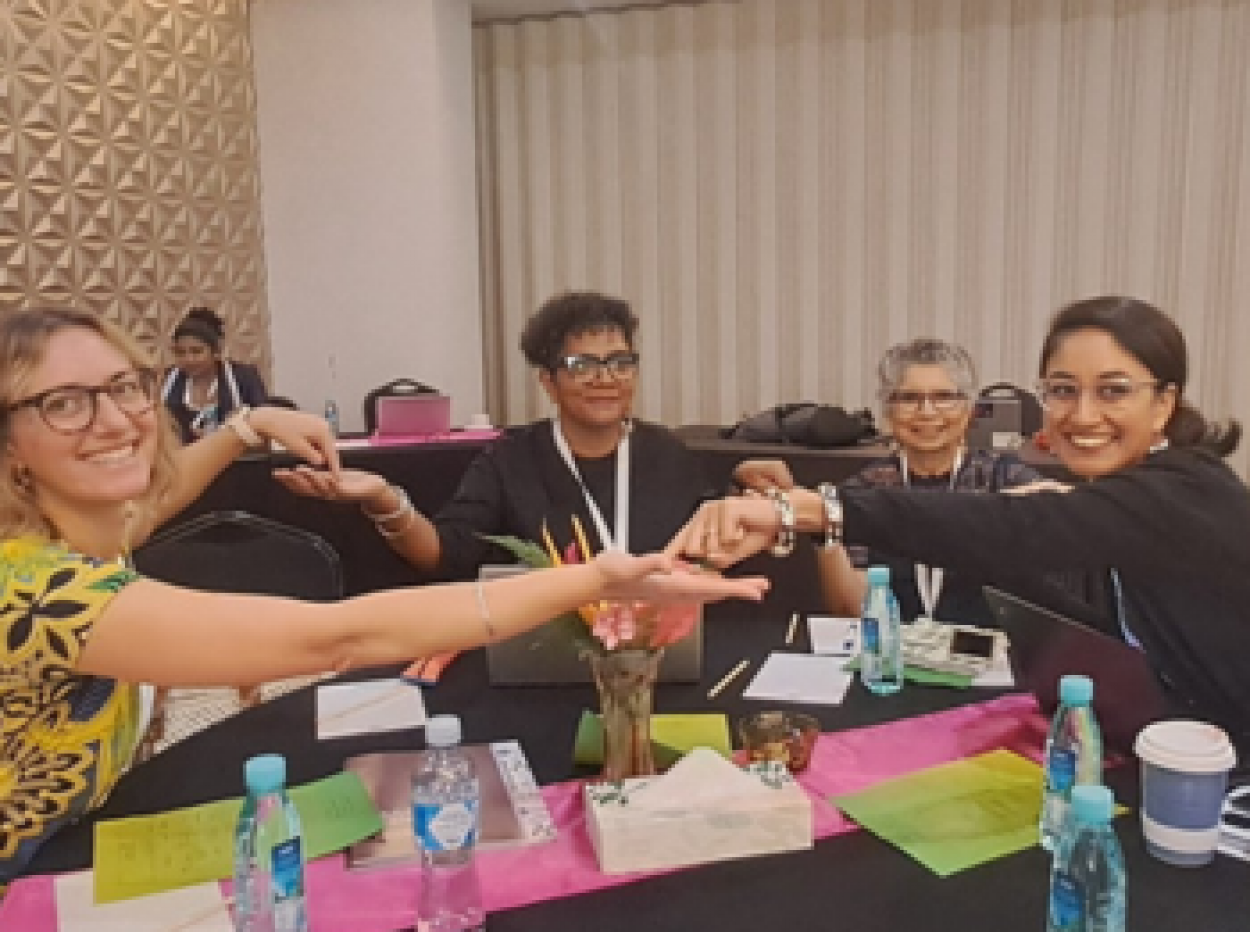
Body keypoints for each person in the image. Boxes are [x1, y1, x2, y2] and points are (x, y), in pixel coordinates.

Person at [0, 306, 767, 889]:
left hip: (74, 829)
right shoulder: (39, 589)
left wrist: (245, 425)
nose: (114, 421)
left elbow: (158, 493)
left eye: (123, 389)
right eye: (62, 403)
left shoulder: (75, 533)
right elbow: (337, 640)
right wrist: (598, 578)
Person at [672, 296, 1249, 743]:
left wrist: (803, 510)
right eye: (1063, 390)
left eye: (1114, 391)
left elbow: (1013, 530)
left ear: (1165, 402)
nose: (1083, 414)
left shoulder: (1183, 490)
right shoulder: (1135, 490)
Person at [277, 291, 714, 578]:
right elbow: (443, 554)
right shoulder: (510, 460)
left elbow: (715, 550)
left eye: (620, 362)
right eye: (583, 366)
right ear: (547, 380)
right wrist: (385, 500)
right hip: (540, 655)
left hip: (658, 651)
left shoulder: (667, 455)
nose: (606, 378)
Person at [733, 339, 1040, 627]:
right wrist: (824, 523)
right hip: (891, 662)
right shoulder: (864, 490)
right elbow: (851, 607)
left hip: (988, 665)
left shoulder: (1004, 479)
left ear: (970, 410)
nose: (927, 412)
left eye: (944, 397)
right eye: (908, 398)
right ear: (888, 412)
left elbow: (1065, 514)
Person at [161, 306, 270, 443]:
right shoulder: (165, 381)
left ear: (216, 352)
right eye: (180, 352)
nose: (188, 359)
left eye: (197, 351)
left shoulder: (244, 378)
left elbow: (265, 426)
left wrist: (240, 426)